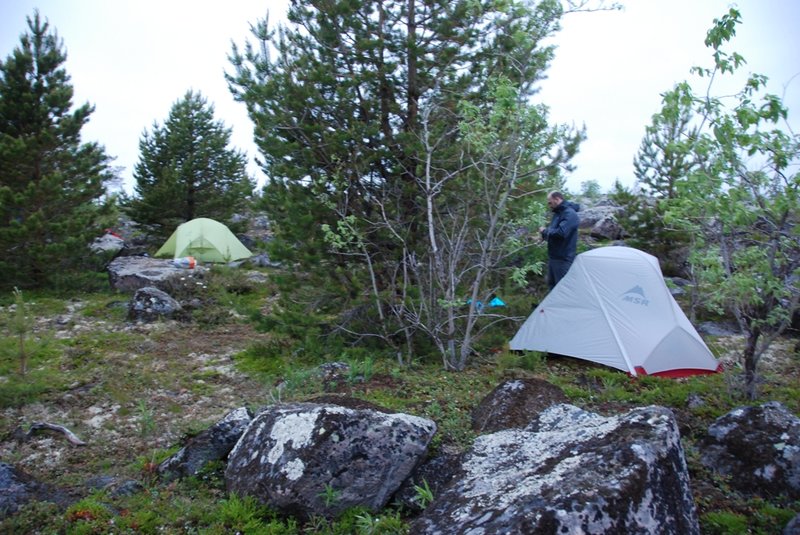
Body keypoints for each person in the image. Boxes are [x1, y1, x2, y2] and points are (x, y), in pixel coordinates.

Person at [539, 191, 580, 290]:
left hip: (563, 259)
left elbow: (561, 233)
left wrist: (545, 231)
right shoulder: (558, 213)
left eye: (550, 202)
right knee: (552, 286)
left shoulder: (570, 214)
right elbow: (554, 232)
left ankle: (565, 306)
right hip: (554, 257)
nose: (549, 205)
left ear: (557, 199)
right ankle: (550, 306)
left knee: (562, 289)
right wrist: (543, 236)